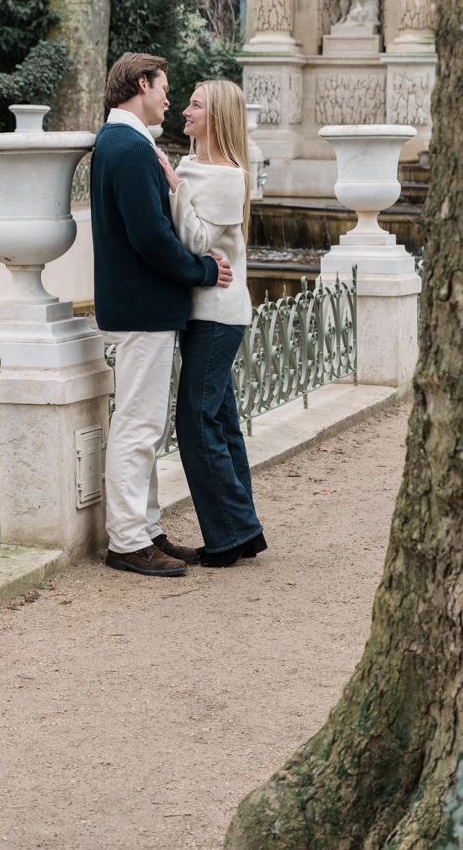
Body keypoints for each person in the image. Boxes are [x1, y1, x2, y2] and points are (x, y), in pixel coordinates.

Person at [91, 52, 233, 578]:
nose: (169, 99)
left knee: (146, 425)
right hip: (143, 306)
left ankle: (146, 531)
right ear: (141, 84)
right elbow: (150, 236)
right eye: (164, 88)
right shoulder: (127, 146)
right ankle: (127, 540)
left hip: (143, 305)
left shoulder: (126, 142)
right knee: (137, 424)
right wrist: (200, 271)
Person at [172, 79, 267, 567]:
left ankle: (229, 536)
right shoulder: (193, 166)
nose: (184, 110)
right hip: (200, 312)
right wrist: (180, 179)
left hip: (218, 315)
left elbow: (196, 240)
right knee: (221, 421)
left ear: (217, 118)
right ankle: (242, 530)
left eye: (195, 105)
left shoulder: (227, 176)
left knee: (194, 421)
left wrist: (174, 187)